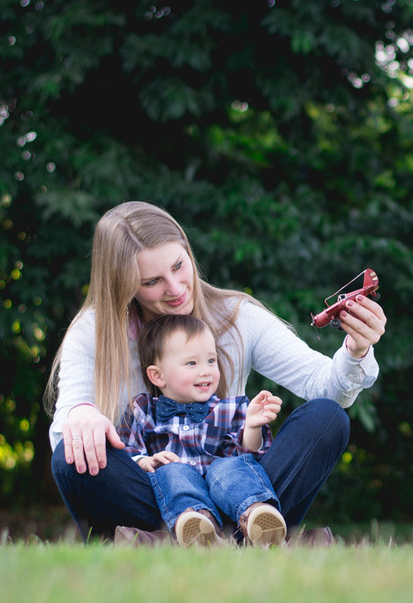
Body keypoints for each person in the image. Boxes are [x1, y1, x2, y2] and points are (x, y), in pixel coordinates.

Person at [45, 200, 385, 541]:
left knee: (327, 417)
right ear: (124, 284)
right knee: (70, 457)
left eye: (179, 266)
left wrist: (356, 350)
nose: (176, 289)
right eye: (152, 281)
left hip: (237, 487)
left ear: (188, 252)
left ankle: (188, 539)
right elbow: (64, 436)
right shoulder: (93, 332)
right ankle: (227, 540)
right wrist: (81, 414)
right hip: (153, 494)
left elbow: (323, 385)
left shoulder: (237, 317)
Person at [119, 313, 288, 548]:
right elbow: (125, 451)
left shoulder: (229, 409)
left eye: (211, 360)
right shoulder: (143, 410)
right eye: (192, 363)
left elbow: (248, 454)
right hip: (178, 494)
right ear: (157, 375)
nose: (206, 370)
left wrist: (252, 426)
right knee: (172, 472)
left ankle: (257, 515)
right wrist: (145, 461)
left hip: (228, 496)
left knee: (229, 467)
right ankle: (200, 527)